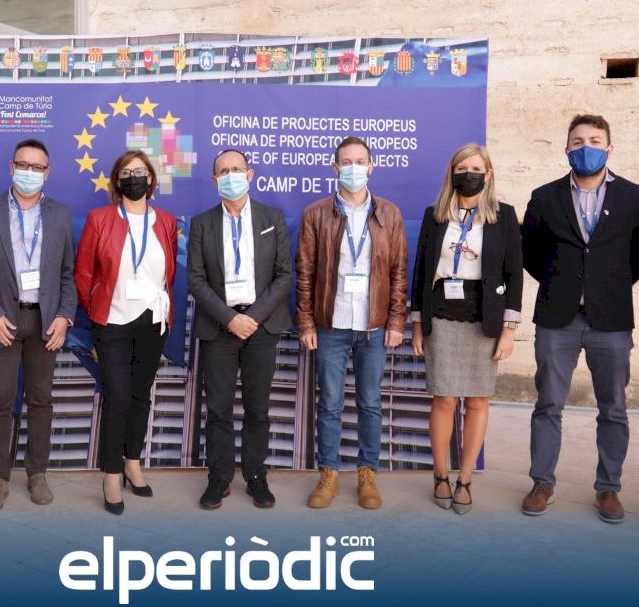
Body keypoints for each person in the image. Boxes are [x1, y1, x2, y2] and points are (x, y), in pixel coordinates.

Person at [520, 114, 639, 523]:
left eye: (595, 141)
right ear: (567, 148)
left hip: (610, 319)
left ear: (609, 148)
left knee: (613, 407)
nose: (586, 148)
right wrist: (563, 282)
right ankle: (542, 482)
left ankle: (608, 488)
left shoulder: (635, 197)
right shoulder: (544, 197)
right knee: (548, 403)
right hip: (557, 318)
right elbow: (531, 254)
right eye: (577, 141)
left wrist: (605, 285)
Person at [0, 138, 77, 512]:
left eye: (37, 167)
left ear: (47, 172)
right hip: (2, 320)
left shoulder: (60, 214)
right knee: (0, 401)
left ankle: (37, 473)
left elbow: (67, 273)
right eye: (23, 165)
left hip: (45, 322)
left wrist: (64, 316)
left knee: (40, 400)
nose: (29, 172)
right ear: (11, 168)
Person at [296, 136, 408, 510]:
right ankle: (328, 474)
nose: (354, 168)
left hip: (374, 326)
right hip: (331, 325)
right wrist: (306, 323)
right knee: (329, 403)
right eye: (347, 162)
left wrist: (396, 320)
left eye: (360, 162)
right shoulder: (315, 214)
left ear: (371, 167)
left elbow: (398, 272)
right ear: (335, 168)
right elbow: (305, 272)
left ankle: (367, 473)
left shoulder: (389, 214)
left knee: (370, 403)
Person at [411, 144, 522, 515]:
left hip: (484, 317)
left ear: (488, 174)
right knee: (444, 399)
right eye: (462, 168)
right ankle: (441, 476)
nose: (469, 174)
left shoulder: (504, 216)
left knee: (477, 401)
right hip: (442, 314)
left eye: (476, 168)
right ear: (452, 173)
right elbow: (421, 271)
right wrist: (417, 325)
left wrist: (509, 329)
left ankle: (465, 479)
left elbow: (514, 274)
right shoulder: (434, 215)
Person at [188, 149, 293, 510]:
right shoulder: (202, 223)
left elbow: (284, 275)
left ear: (250, 174)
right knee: (218, 408)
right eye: (223, 171)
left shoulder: (271, 218)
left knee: (257, 408)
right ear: (214, 180)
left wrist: (254, 317)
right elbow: (196, 280)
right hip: (219, 326)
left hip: (261, 326)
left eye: (236, 169)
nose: (230, 175)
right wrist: (230, 318)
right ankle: (219, 477)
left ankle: (255, 476)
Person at [75, 150, 177, 515]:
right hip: (113, 321)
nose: (134, 176)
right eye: (126, 172)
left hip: (153, 320)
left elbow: (168, 273)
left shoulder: (166, 221)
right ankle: (112, 474)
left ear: (151, 179)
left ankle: (133, 461)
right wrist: (98, 311)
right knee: (117, 396)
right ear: (117, 181)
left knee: (140, 395)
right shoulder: (100, 218)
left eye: (140, 171)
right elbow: (84, 273)